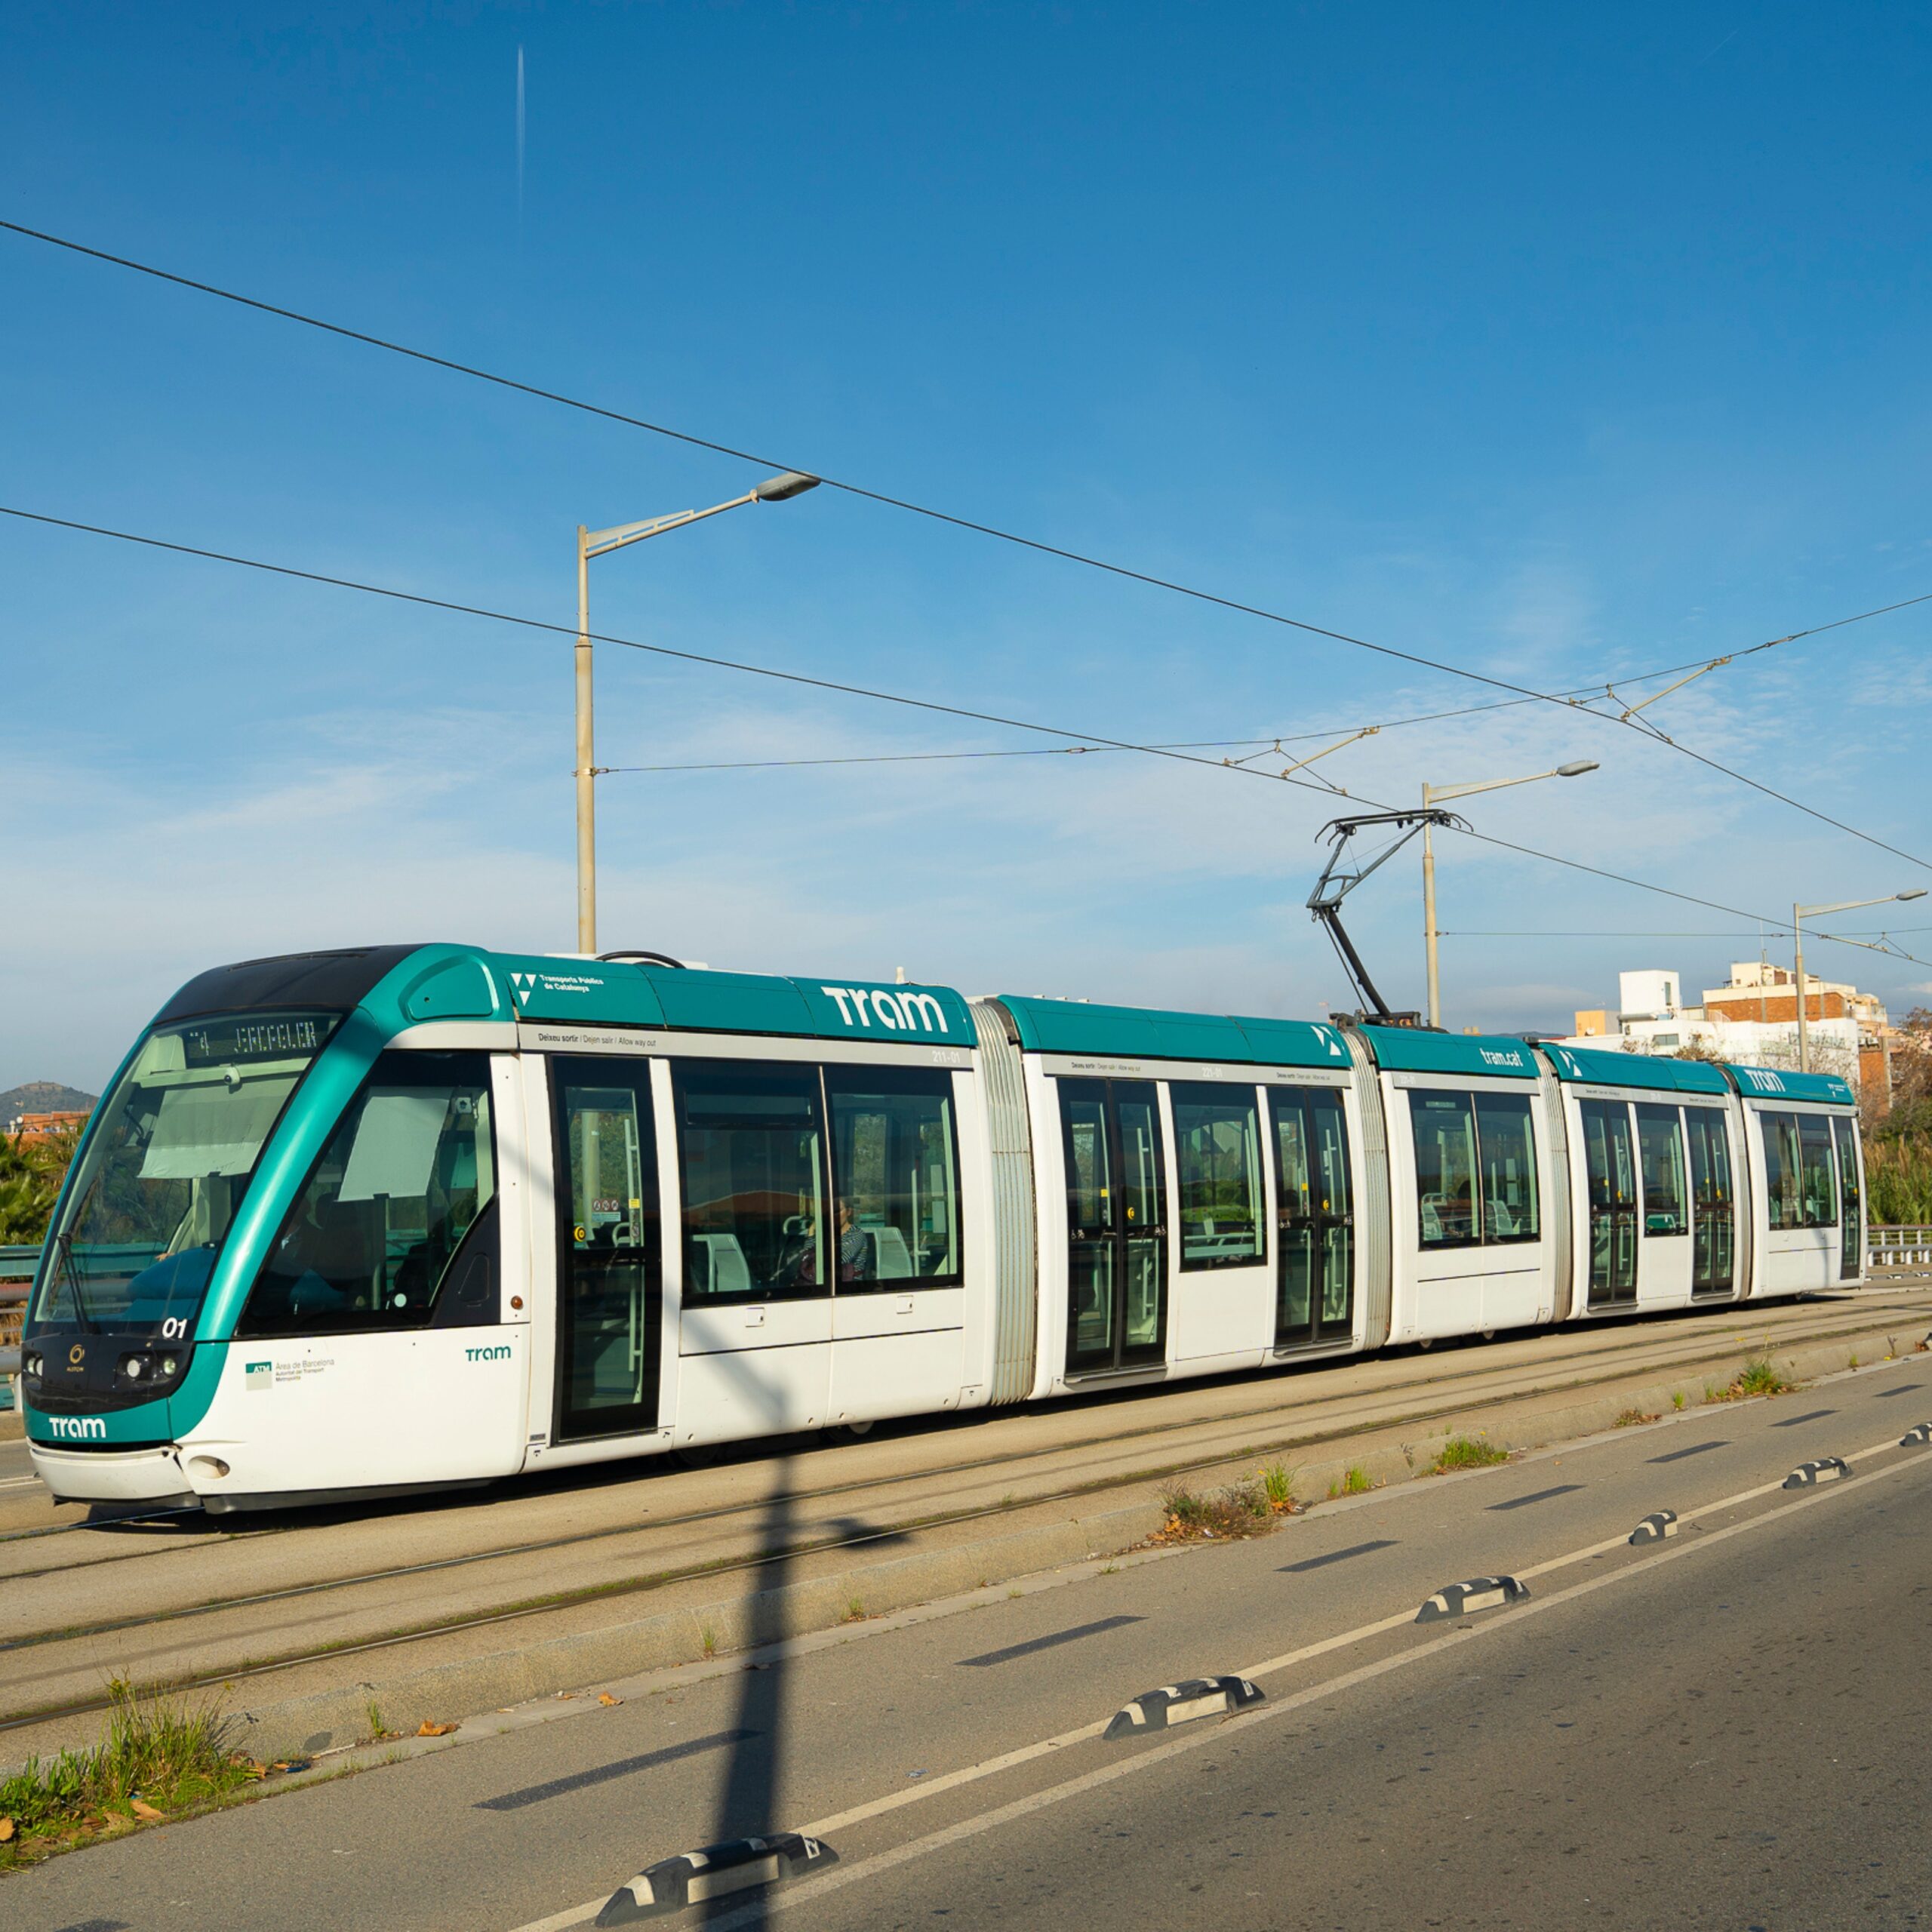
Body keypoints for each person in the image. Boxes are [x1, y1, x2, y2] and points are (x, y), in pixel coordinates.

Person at [838, 1200, 872, 1283]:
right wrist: (811, 1233)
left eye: (838, 1211)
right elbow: (805, 1258)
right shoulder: (825, 1234)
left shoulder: (857, 1234)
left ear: (848, 1212)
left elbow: (841, 1259)